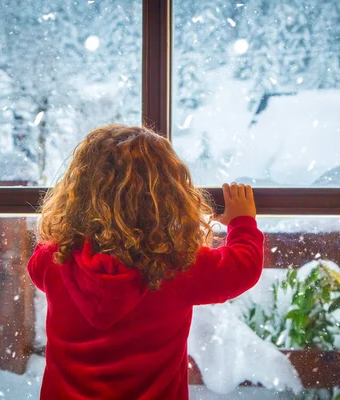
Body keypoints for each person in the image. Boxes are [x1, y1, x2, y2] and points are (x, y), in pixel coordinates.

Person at [27, 125, 264, 400]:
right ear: (169, 197)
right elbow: (242, 268)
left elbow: (37, 271)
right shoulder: (175, 266)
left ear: (79, 191)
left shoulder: (55, 258)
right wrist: (242, 222)